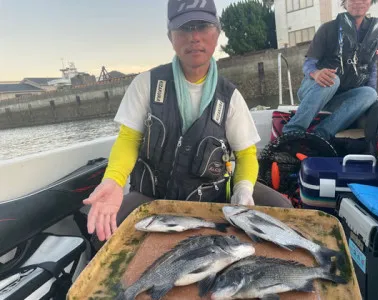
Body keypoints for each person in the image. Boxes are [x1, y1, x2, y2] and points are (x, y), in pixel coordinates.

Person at [83, 0, 292, 242]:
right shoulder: (146, 84)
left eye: (202, 26)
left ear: (217, 31)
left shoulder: (230, 96)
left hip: (213, 198)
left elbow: (245, 154)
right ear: (170, 36)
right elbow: (129, 139)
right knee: (100, 232)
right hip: (153, 196)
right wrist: (114, 180)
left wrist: (243, 191)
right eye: (184, 28)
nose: (194, 37)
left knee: (284, 208)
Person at [283, 0, 378, 140]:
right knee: (333, 79)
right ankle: (290, 133)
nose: (358, 2)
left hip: (341, 99)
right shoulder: (327, 28)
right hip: (315, 91)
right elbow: (308, 64)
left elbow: (372, 67)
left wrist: (369, 102)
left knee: (370, 93)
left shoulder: (377, 30)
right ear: (344, 3)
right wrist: (316, 73)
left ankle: (320, 135)